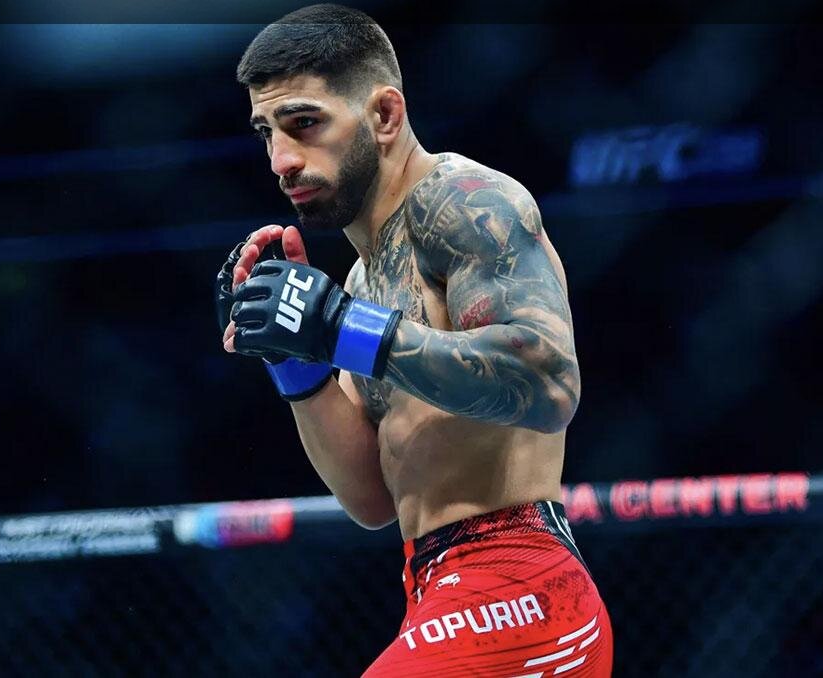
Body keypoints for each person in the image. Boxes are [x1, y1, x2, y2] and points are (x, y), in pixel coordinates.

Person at [217, 5, 613, 676]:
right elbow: (371, 499)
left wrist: (340, 327)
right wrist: (294, 359)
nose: (281, 160)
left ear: (384, 115)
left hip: (522, 588)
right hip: (434, 588)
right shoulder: (360, 279)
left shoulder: (468, 204)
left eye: (304, 123)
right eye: (266, 133)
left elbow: (548, 385)